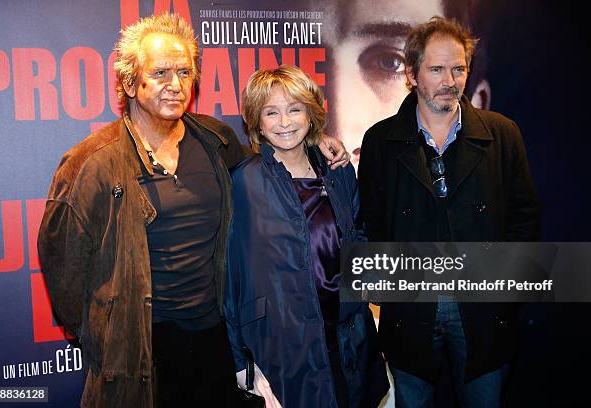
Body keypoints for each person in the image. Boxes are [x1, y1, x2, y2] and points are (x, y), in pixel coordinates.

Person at [37, 14, 349, 408]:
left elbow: (276, 163)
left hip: (212, 341)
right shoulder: (91, 163)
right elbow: (64, 271)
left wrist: (321, 144)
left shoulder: (216, 141)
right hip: (140, 352)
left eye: (184, 72)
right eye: (161, 72)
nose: (175, 84)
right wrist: (106, 332)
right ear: (130, 83)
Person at [358, 16, 540, 408]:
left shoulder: (502, 133)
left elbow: (525, 219)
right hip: (411, 310)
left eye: (458, 69)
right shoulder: (379, 142)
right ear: (412, 74)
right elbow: (369, 226)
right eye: (436, 69)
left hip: (483, 311)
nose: (449, 80)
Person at [224, 65, 389, 407]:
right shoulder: (241, 183)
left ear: (311, 114)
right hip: (285, 346)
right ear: (256, 121)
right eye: (272, 112)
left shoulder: (339, 172)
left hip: (347, 340)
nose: (285, 122)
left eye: (295, 109)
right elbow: (228, 278)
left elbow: (360, 244)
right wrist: (240, 361)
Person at [321, 0, 491, 168]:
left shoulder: (504, 138)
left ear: (477, 103)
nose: (341, 134)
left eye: (390, 62)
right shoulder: (377, 140)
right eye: (318, 65)